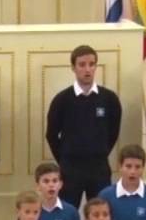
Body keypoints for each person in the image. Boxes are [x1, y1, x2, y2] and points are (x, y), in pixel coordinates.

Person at [45, 44, 123, 206]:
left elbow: (113, 131)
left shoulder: (109, 99)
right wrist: (65, 159)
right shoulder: (62, 100)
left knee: (99, 211)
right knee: (67, 211)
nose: (87, 69)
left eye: (91, 64)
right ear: (73, 68)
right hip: (70, 168)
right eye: (82, 65)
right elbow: (51, 134)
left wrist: (100, 151)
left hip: (99, 167)